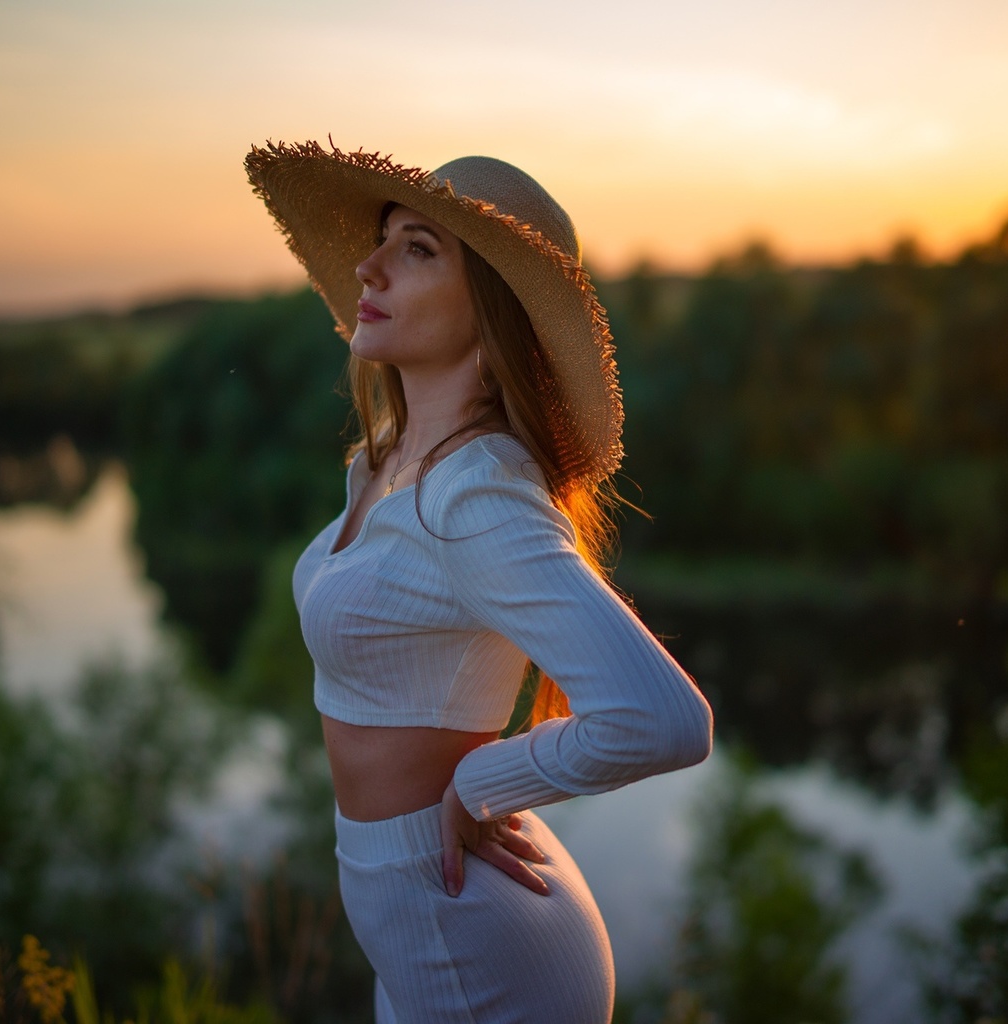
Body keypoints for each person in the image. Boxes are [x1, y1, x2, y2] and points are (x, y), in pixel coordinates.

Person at [244, 139, 713, 1023]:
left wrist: (480, 783)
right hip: (419, 921)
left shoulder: (477, 492)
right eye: (383, 239)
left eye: (419, 250)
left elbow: (666, 719)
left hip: (471, 934)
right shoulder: (384, 466)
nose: (369, 266)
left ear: (493, 313)